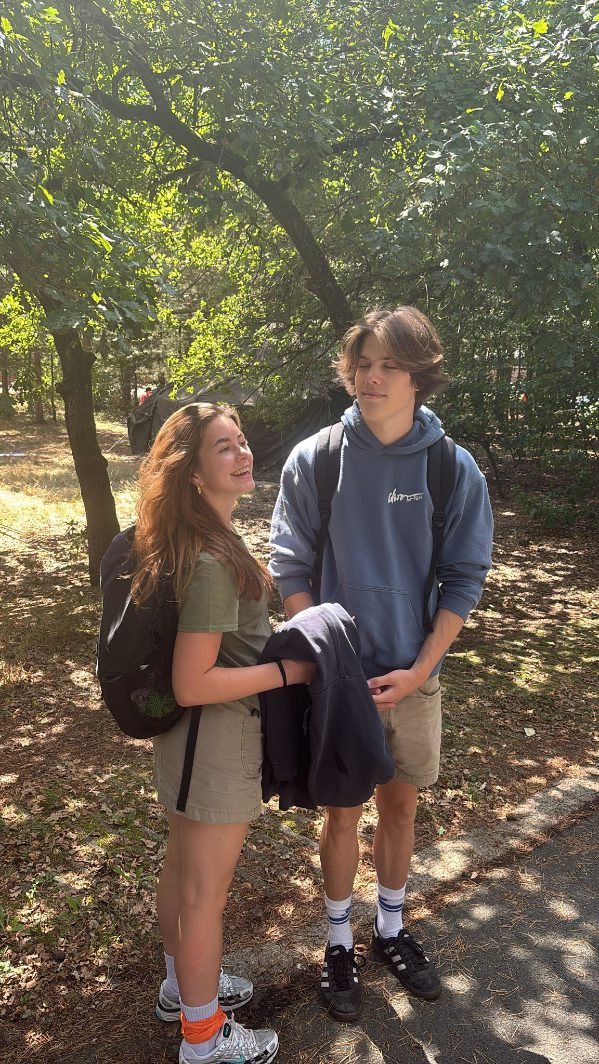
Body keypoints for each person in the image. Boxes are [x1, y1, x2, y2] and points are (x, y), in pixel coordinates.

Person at [269, 306, 493, 1021]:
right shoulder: (317, 458)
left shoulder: (451, 469)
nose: (371, 376)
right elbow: (289, 566)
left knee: (399, 808)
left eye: (389, 365)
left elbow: (463, 579)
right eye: (362, 363)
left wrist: (420, 670)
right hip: (338, 685)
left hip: (413, 679)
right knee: (340, 816)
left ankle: (390, 928)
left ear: (418, 377)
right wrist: (326, 661)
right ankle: (338, 941)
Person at [130, 402, 313, 1064]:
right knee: (205, 897)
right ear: (192, 473)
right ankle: (204, 1039)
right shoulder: (211, 559)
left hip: (189, 745)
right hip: (213, 744)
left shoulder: (204, 538)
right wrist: (288, 670)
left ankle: (181, 990)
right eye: (223, 447)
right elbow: (193, 682)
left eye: (242, 441)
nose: (243, 454)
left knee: (183, 872)